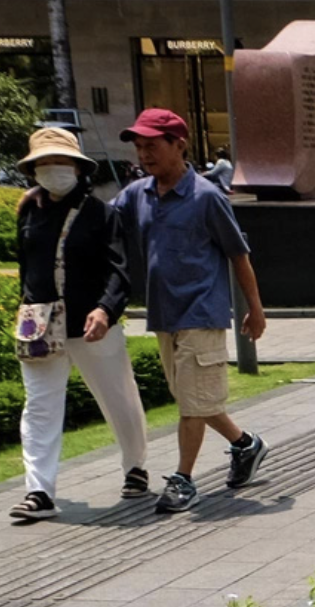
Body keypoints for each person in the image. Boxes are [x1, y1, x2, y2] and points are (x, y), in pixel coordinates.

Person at [114, 106, 269, 514]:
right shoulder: (137, 194)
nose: (144, 155)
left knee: (190, 404)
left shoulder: (205, 197)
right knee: (193, 399)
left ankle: (184, 480)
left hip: (202, 311)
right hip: (164, 315)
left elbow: (239, 254)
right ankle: (245, 445)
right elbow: (103, 222)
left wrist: (255, 308)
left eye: (152, 146)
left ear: (179, 145)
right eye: (139, 147)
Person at [8, 125, 151, 523]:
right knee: (39, 407)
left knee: (119, 396)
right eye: (45, 162)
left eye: (61, 161)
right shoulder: (28, 212)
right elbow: (26, 267)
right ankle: (39, 491)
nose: (54, 168)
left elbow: (120, 271)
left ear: (78, 167)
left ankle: (135, 466)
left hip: (92, 325)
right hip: (40, 327)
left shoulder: (101, 214)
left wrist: (105, 309)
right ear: (33, 169)